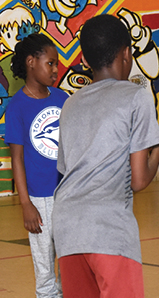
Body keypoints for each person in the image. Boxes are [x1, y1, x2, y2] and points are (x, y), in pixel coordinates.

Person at [52, 14, 159, 298]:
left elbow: (66, 170)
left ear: (85, 60)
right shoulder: (136, 96)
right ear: (127, 54)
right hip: (108, 230)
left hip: (67, 229)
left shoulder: (71, 104)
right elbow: (139, 179)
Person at [5, 33, 68, 298]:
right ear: (31, 62)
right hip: (40, 199)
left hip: (67, 193)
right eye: (50, 63)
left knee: (68, 259)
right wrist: (26, 204)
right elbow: (16, 159)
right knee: (45, 268)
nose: (56, 70)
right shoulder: (17, 107)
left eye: (56, 64)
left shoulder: (63, 98)